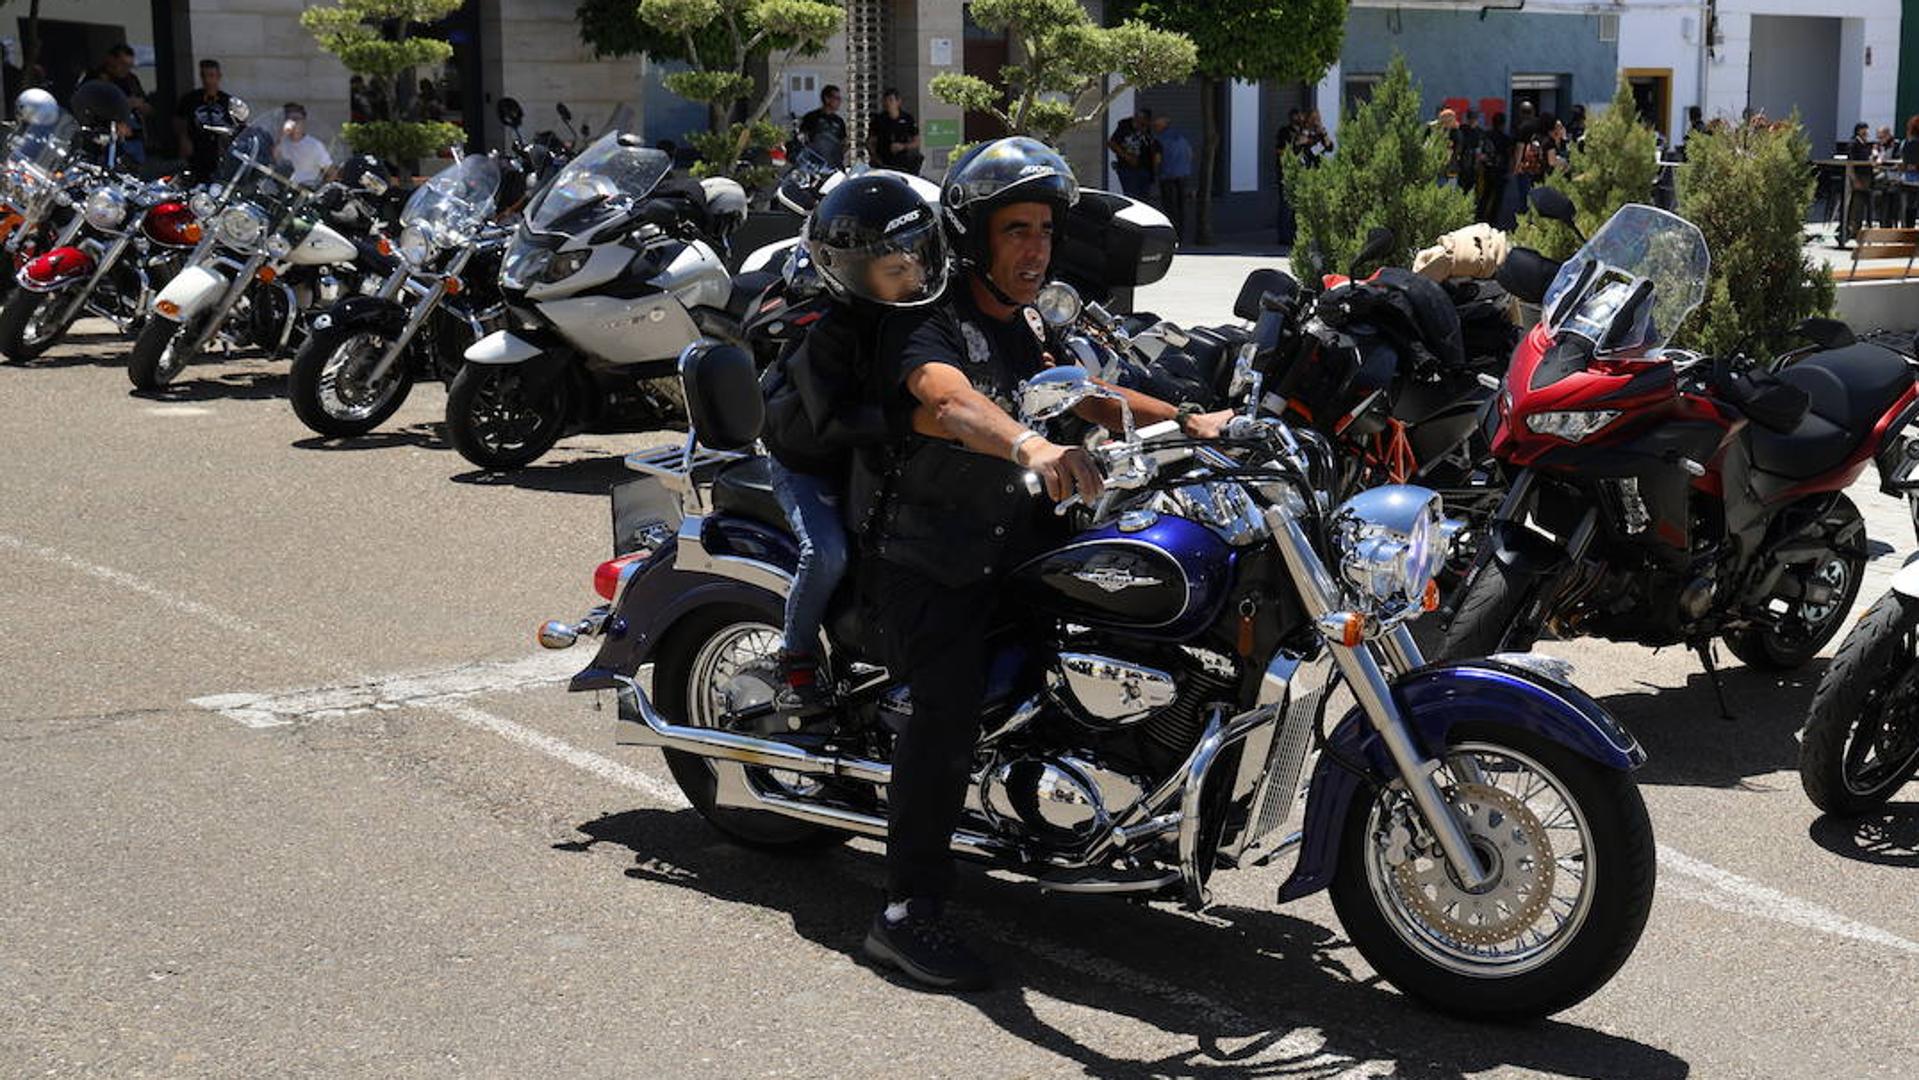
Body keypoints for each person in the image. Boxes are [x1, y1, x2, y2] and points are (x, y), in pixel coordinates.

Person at [856, 136, 1233, 991]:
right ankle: (906, 912)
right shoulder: (929, 319)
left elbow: (1083, 391)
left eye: (1044, 231)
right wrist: (1029, 443)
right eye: (1016, 230)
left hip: (1021, 544)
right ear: (975, 238)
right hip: (932, 556)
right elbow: (950, 402)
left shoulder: (1026, 320)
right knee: (946, 711)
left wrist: (1191, 419)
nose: (1035, 249)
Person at [758, 173, 946, 718]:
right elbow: (834, 420)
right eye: (895, 269)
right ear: (855, 273)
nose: (912, 274)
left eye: (917, 257)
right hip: (809, 462)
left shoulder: (912, 311)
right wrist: (913, 420)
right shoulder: (829, 334)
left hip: (870, 458)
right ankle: (793, 657)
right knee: (829, 553)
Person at [83, 44, 149, 165]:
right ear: (111, 59)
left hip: (133, 137)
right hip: (107, 138)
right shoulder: (96, 78)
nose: (126, 69)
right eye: (122, 64)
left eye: (129, 66)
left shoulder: (131, 80)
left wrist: (140, 105)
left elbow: (145, 103)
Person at [175, 59, 236, 184]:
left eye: (212, 76)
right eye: (204, 76)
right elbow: (179, 119)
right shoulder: (190, 99)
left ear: (218, 77)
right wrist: (183, 138)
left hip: (218, 150)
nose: (208, 80)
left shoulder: (227, 101)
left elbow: (235, 126)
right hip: (196, 148)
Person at [1152, 115, 1192, 241]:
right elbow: (1190, 154)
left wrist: (1154, 173)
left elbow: (1157, 160)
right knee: (1181, 205)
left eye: (1157, 125)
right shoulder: (1181, 138)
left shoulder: (1159, 140)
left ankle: (1172, 234)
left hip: (1167, 176)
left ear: (1163, 126)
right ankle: (1181, 234)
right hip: (1183, 175)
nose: (1155, 128)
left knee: (1170, 206)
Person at [274, 103, 332, 186]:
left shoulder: (314, 145)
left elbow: (330, 170)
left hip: (306, 190)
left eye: (296, 119)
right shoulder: (282, 142)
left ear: (303, 121)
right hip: (284, 189)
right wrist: (282, 135)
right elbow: (273, 159)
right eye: (289, 119)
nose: (293, 123)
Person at [869, 87, 923, 173]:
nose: (888, 104)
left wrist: (903, 146)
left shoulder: (907, 119)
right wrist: (875, 157)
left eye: (891, 100)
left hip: (902, 162)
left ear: (898, 102)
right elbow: (871, 142)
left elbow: (916, 142)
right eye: (885, 101)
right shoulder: (878, 120)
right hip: (883, 161)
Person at [1107, 106, 1156, 200]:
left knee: (1144, 199)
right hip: (1127, 169)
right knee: (1132, 197)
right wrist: (1127, 157)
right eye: (1141, 121)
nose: (1143, 125)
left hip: (1145, 169)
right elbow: (1112, 143)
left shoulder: (1147, 129)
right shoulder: (1124, 127)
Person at [797, 84, 847, 167]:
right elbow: (802, 137)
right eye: (837, 98)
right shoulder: (811, 117)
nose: (839, 101)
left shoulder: (839, 121)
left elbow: (843, 142)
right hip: (814, 164)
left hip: (833, 164)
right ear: (827, 99)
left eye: (840, 99)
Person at [1476, 112, 1512, 226]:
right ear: (1503, 124)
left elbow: (1482, 151)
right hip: (1500, 171)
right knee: (1497, 198)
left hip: (1488, 169)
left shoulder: (1486, 135)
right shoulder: (1506, 139)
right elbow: (1509, 155)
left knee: (1485, 195)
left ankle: (1479, 218)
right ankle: (1492, 221)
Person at [1275, 107, 1302, 246]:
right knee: (1285, 207)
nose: (1298, 119)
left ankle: (1295, 236)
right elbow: (1278, 150)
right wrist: (1294, 146)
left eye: (1300, 116)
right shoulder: (1284, 132)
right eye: (1296, 116)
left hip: (1300, 173)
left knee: (1297, 208)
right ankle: (1283, 237)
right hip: (1286, 174)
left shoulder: (1304, 132)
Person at [1847, 121, 1875, 242]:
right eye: (1864, 129)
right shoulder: (1854, 143)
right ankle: (1853, 230)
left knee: (1864, 205)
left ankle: (1862, 229)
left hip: (1867, 177)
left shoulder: (1865, 144)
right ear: (1859, 130)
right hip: (1859, 177)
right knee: (1856, 205)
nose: (1866, 132)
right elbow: (1851, 163)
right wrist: (1854, 179)